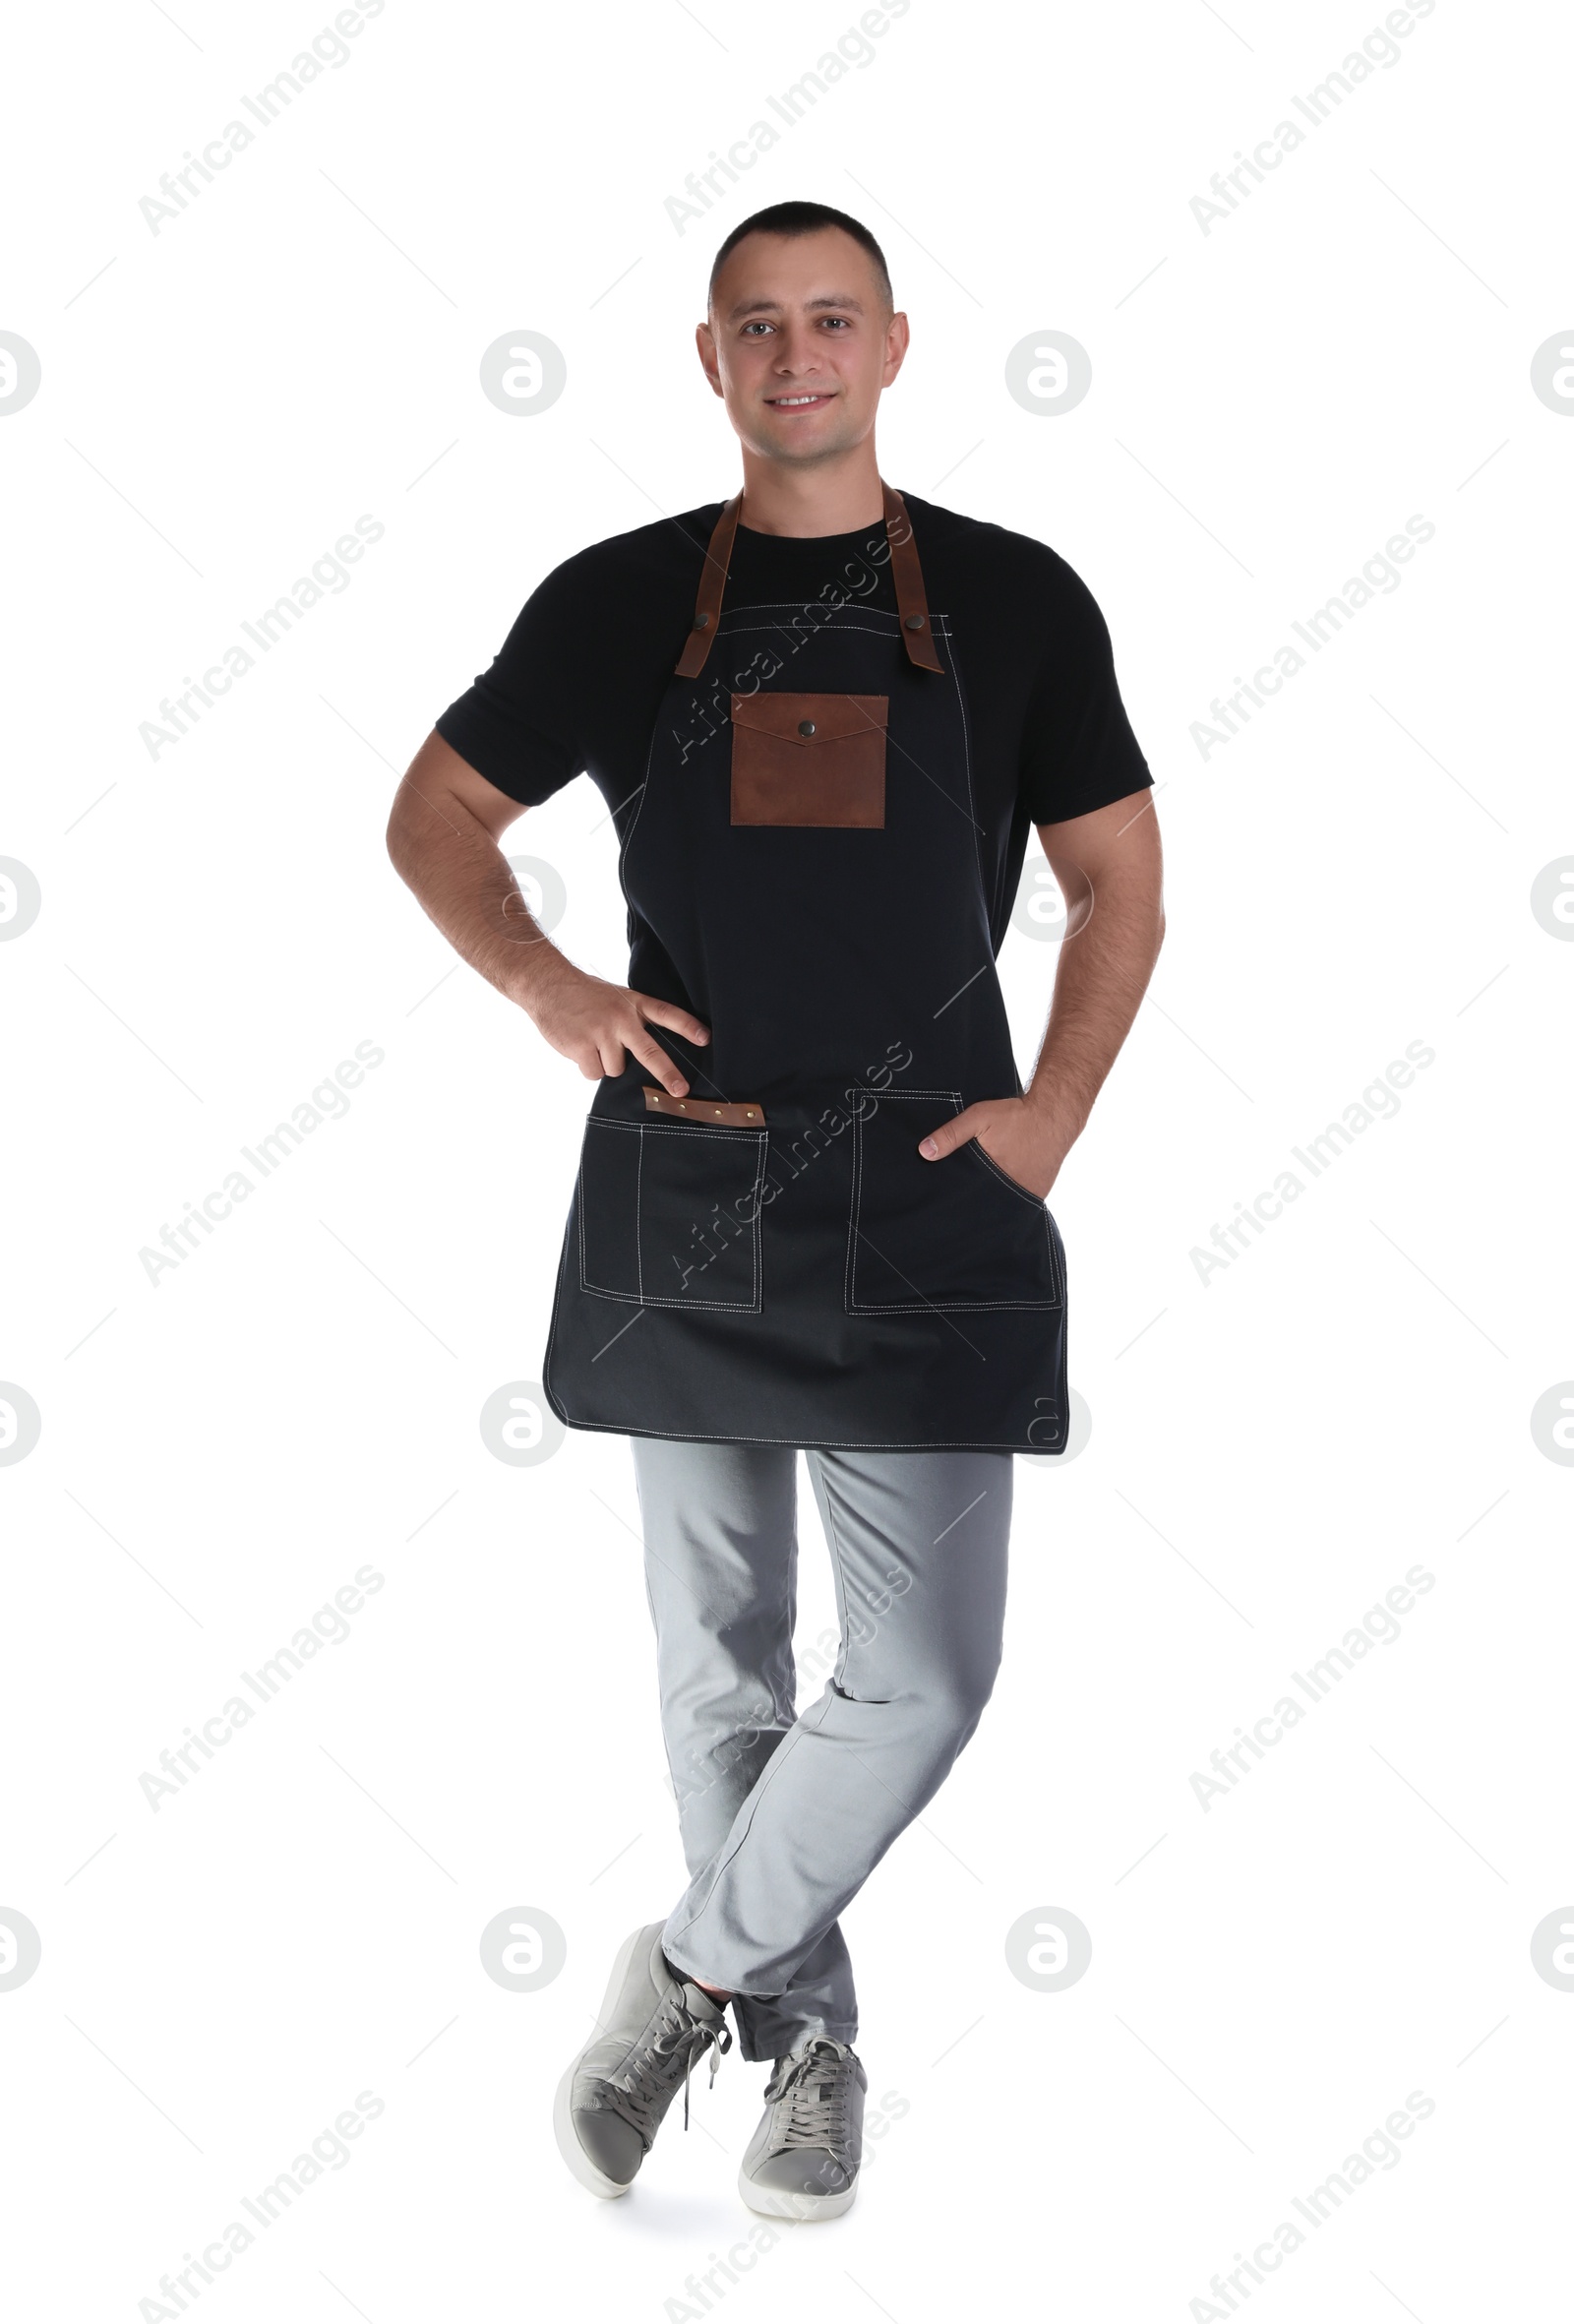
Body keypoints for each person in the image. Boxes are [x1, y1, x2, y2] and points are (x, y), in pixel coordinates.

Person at [387, 199, 1164, 2220]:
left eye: (830, 320)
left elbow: (1119, 881)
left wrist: (1052, 1107)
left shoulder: (1012, 603)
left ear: (893, 346)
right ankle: (806, 2041)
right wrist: (553, 990)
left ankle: (688, 1967)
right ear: (709, 359)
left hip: (928, 1185)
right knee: (720, 1654)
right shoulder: (618, 599)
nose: (794, 354)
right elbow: (436, 813)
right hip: (697, 1169)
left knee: (924, 1669)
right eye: (756, 324)